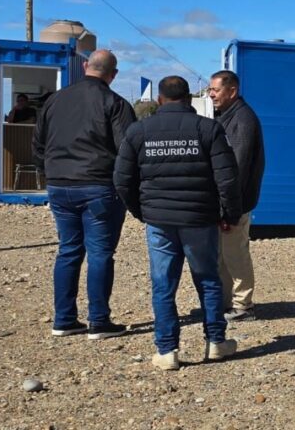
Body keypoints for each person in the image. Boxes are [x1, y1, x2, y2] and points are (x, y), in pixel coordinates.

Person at [114, 76, 243, 371]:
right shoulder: (208, 129)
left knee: (163, 285)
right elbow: (227, 178)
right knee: (208, 280)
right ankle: (215, 342)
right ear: (188, 98)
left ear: (160, 99)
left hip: (159, 221)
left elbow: (122, 179)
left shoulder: (139, 131)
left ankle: (167, 350)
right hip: (200, 219)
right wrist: (230, 214)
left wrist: (141, 211)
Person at [32, 49, 135, 340]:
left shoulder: (55, 100)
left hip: (59, 184)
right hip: (98, 184)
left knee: (68, 250)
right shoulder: (115, 103)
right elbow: (127, 149)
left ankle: (64, 319)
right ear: (113, 74)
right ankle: (99, 321)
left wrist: (50, 171)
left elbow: (38, 143)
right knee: (100, 253)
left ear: (86, 66)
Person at [207, 70, 265, 322]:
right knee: (222, 255)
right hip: (227, 201)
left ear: (232, 91)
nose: (211, 94)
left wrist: (228, 207)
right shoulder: (227, 116)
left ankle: (243, 305)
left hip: (235, 202)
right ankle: (225, 302)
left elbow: (237, 168)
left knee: (235, 254)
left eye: (215, 90)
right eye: (210, 89)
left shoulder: (242, 120)